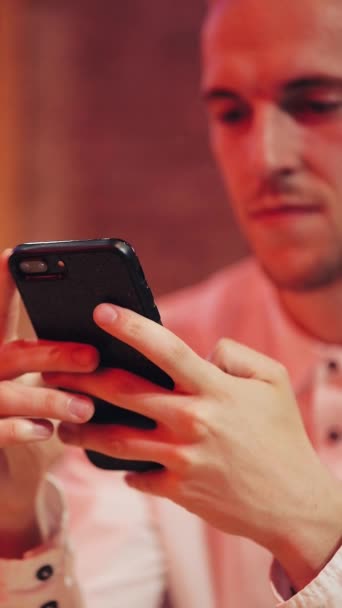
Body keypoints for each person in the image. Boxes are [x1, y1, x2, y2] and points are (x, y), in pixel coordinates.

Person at [2, 0, 342, 606]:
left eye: (318, 104)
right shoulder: (164, 357)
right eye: (231, 113)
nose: (265, 157)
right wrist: (17, 528)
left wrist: (313, 530)